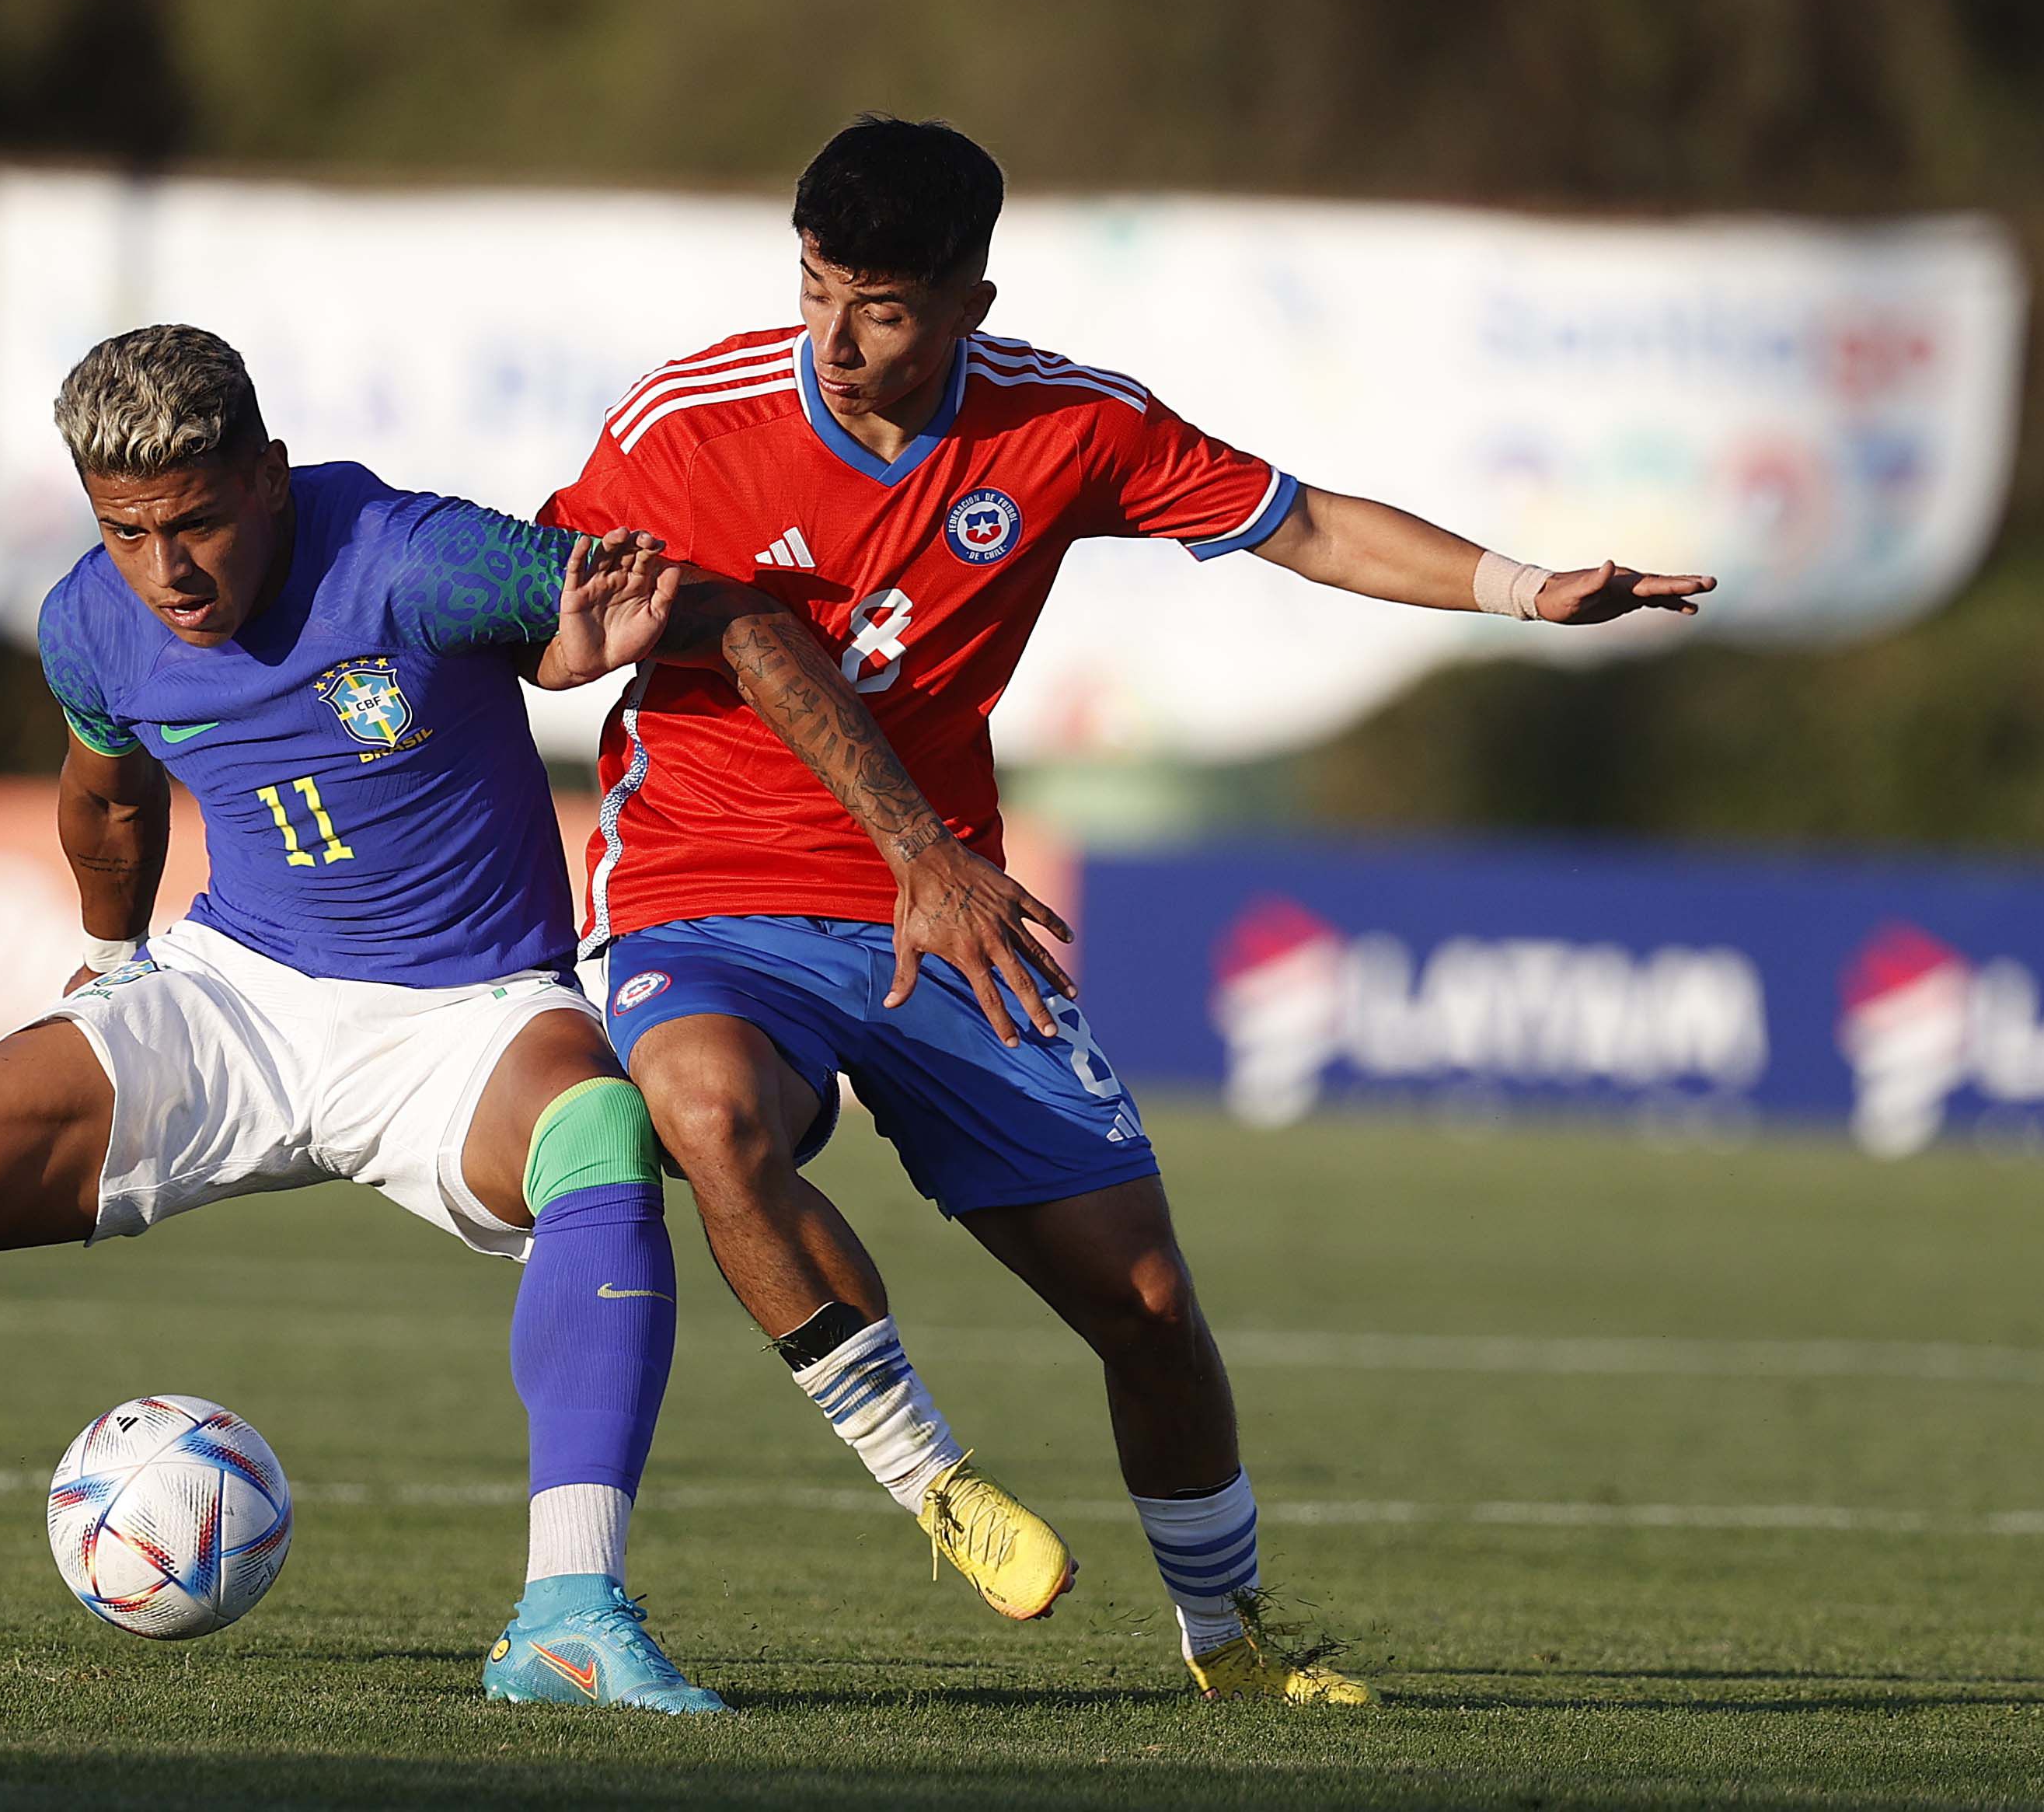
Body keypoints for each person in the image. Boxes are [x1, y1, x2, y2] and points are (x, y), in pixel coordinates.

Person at [541, 115, 1714, 1704]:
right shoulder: (686, 425)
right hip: (703, 883)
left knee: (1145, 1302)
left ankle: (1225, 1641)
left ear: (968, 299)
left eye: (879, 307)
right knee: (705, 1112)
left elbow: (1297, 520)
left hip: (944, 906)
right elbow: (547, 617)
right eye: (813, 288)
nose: (834, 340)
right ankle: (932, 1482)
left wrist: (1523, 589)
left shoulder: (1064, 423)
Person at [0, 323, 951, 1715]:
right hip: (237, 995)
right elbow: (107, 798)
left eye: (194, 522)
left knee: (603, 1134)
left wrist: (569, 652)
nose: (167, 571)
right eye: (128, 531)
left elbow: (638, 612)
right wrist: (108, 956)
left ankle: (568, 1614)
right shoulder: (88, 616)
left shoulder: (411, 552)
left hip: (468, 1017)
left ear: (266, 475)